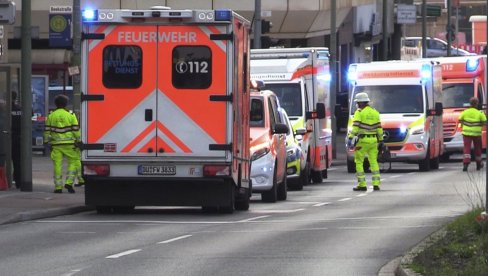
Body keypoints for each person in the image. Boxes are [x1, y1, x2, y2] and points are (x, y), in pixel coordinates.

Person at [43, 95, 80, 193]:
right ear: (66, 104)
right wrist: (79, 141)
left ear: (56, 104)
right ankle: (69, 182)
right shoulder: (71, 115)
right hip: (70, 144)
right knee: (73, 162)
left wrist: (46, 142)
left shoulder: (51, 115)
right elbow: (76, 130)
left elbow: (46, 131)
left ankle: (58, 187)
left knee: (57, 165)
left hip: (56, 145)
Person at [347, 92, 384, 191]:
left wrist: (351, 137)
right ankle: (376, 183)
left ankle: (362, 184)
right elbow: (379, 129)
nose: (357, 105)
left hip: (362, 141)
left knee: (359, 162)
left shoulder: (359, 113)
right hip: (373, 141)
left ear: (361, 103)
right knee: (373, 162)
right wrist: (381, 141)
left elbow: (355, 127)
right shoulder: (375, 112)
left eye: (358, 103)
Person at [459, 97, 487, 171]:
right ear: (477, 104)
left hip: (466, 133)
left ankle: (466, 164)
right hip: (476, 134)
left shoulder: (465, 112)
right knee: (478, 148)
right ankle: (478, 163)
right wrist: (480, 125)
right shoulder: (479, 113)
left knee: (466, 148)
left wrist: (464, 125)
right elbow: (485, 122)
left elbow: (460, 119)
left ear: (470, 104)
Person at [10, 91, 21, 189]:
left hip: (6, 137)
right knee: (17, 161)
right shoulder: (21, 109)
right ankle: (18, 181)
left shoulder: (4, 109)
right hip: (19, 137)